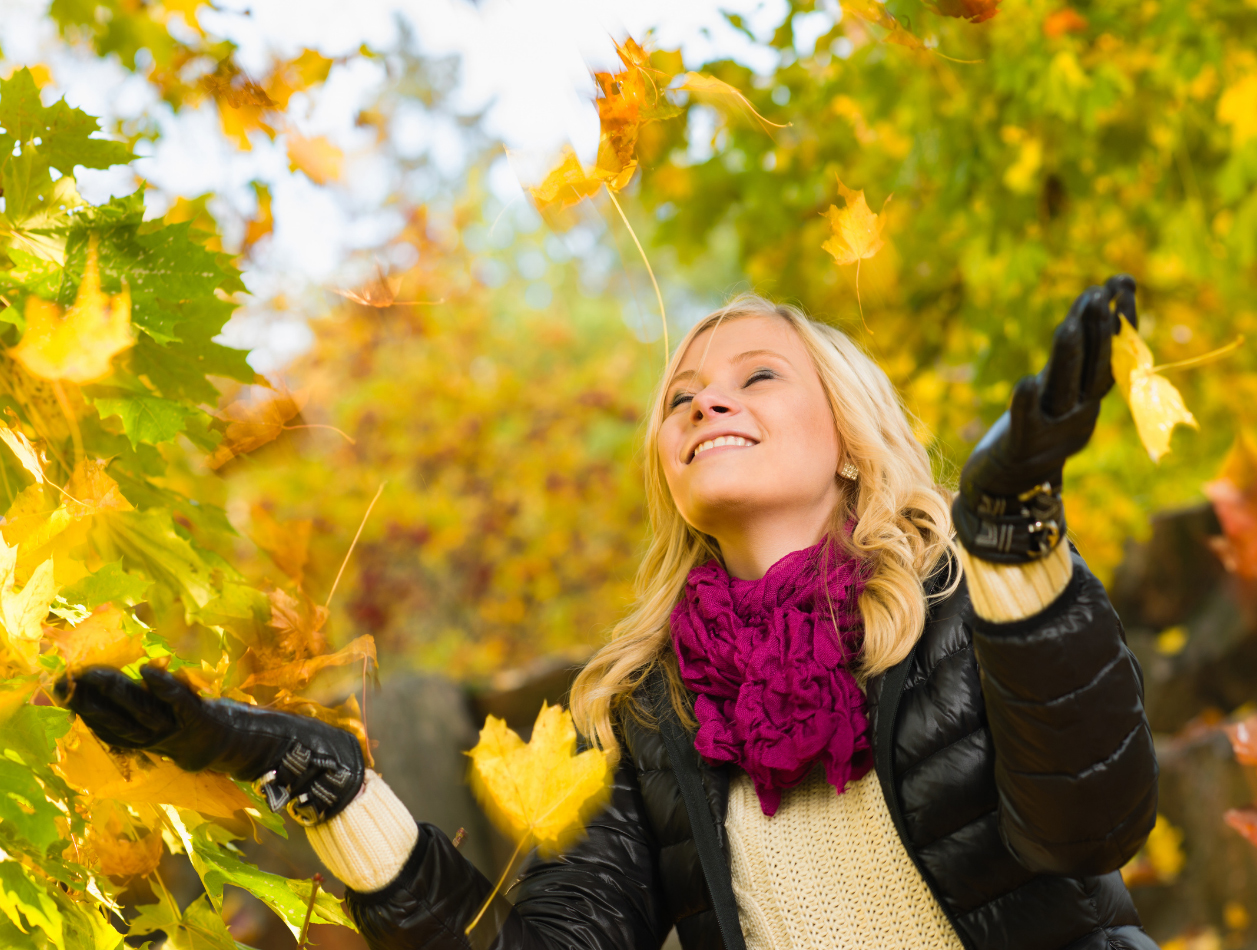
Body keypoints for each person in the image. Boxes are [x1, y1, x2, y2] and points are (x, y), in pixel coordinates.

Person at [64, 284, 1159, 950]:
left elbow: (1086, 824)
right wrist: (329, 779)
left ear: (851, 438)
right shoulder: (648, 711)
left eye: (756, 374)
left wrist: (1012, 529)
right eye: (680, 397)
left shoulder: (965, 603)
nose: (703, 402)